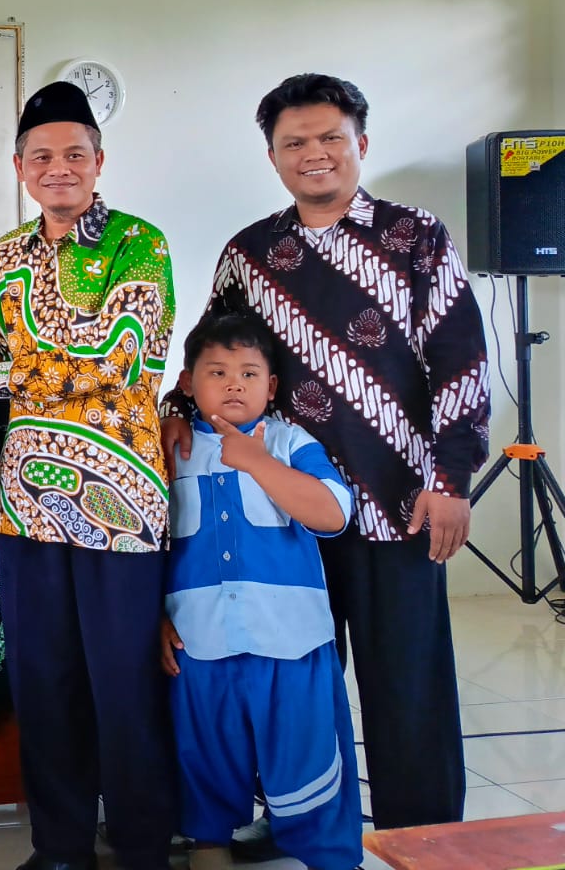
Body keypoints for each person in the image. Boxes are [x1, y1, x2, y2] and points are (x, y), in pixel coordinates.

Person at [161, 74, 488, 838]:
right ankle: (300, 824)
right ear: (273, 157)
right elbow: (213, 355)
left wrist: (449, 479)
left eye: (330, 138)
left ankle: (426, 840)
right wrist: (179, 410)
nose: (315, 154)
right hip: (279, 518)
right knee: (293, 685)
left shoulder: (417, 238)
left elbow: (461, 360)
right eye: (294, 143)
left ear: (360, 145)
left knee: (408, 687)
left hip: (396, 506)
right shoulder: (250, 253)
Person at [0, 81, 177, 870]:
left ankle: (139, 848)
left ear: (99, 161)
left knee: (124, 684)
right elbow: (2, 342)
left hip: (121, 502)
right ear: (21, 168)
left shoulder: (141, 243)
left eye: (73, 154)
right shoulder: (7, 253)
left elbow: (122, 364)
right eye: (41, 157)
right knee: (44, 681)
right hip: (28, 501)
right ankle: (60, 846)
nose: (58, 169)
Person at [160, 309, 362, 870]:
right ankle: (210, 848)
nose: (233, 384)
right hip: (199, 647)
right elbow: (144, 542)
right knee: (204, 759)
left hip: (291, 645)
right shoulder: (166, 450)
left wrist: (256, 461)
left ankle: (328, 857)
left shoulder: (291, 441)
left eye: (249, 374)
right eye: (216, 372)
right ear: (187, 382)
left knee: (308, 755)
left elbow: (331, 514)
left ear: (271, 387)